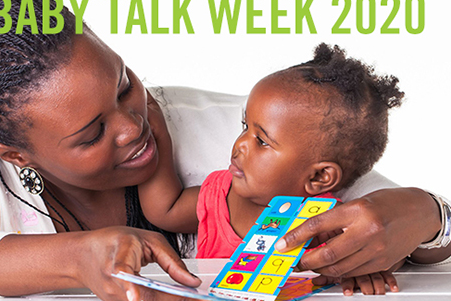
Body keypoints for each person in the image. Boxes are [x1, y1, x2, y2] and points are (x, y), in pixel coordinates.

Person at [0, 0, 450, 300]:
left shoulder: (246, 127)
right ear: (14, 154)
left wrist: (426, 216)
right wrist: (76, 258)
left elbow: (396, 221)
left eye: (124, 85)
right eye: (91, 134)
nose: (133, 126)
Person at [143, 43, 407, 294]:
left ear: (319, 177)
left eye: (261, 141)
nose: (240, 145)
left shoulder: (330, 224)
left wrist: (369, 269)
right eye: (245, 126)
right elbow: (165, 209)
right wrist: (156, 133)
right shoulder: (219, 195)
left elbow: (383, 249)